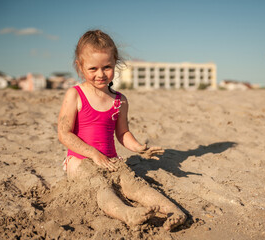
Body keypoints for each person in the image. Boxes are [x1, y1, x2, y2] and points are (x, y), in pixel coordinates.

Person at [57, 29, 186, 231]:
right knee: (101, 187)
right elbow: (64, 133)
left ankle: (174, 211)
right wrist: (93, 153)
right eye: (93, 69)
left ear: (115, 63)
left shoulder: (120, 100)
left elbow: (122, 133)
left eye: (107, 67)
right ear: (80, 66)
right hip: (80, 160)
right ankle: (127, 214)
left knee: (135, 185)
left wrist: (138, 148)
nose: (100, 74)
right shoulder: (75, 94)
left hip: (110, 160)